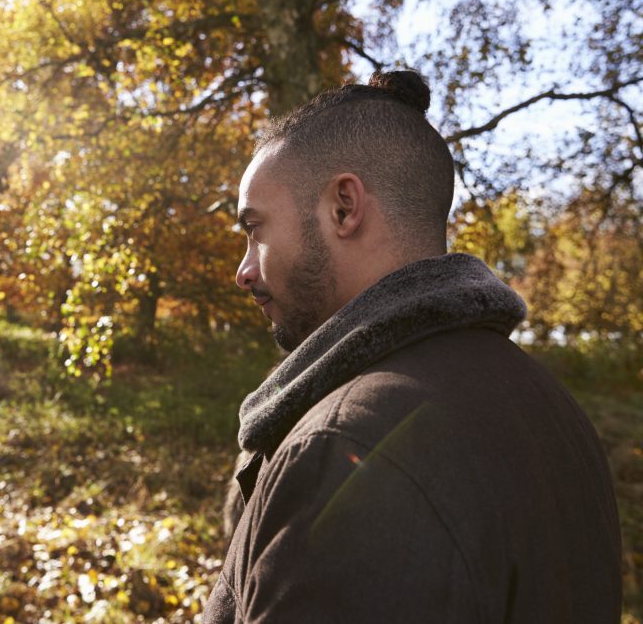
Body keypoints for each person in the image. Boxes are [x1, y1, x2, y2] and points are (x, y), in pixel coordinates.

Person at [202, 71, 622, 623]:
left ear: (344, 208)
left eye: (255, 229)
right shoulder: (550, 401)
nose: (244, 270)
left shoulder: (345, 445)